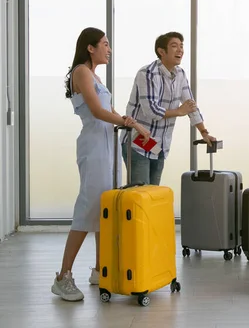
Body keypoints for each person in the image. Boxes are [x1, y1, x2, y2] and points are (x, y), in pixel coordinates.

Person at [52, 27, 150, 301]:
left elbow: (111, 112)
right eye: (105, 44)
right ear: (90, 48)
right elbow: (96, 111)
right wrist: (130, 123)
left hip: (109, 146)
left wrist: (133, 124)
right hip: (94, 147)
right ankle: (63, 277)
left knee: (106, 209)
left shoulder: (95, 76)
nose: (109, 49)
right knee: (88, 208)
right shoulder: (81, 72)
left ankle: (100, 269)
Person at [120, 31, 216, 185]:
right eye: (174, 46)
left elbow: (191, 106)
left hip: (159, 146)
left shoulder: (180, 74)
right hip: (138, 141)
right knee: (141, 195)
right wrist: (179, 111)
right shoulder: (148, 73)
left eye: (181, 46)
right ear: (161, 51)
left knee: (154, 197)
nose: (180, 50)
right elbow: (151, 111)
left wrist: (204, 132)